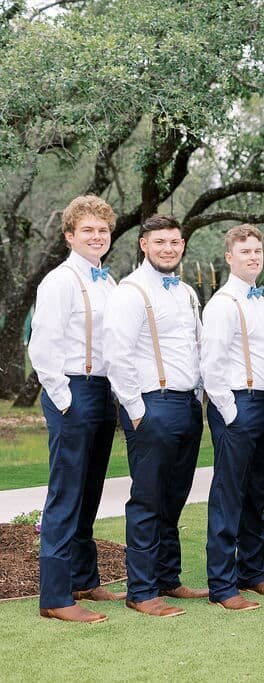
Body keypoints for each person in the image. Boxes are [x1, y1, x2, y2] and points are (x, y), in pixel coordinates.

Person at [103, 214, 206, 617]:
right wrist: (136, 408)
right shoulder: (130, 292)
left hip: (186, 404)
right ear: (144, 244)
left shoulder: (186, 293)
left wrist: (197, 396)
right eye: (160, 241)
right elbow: (118, 355)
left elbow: (196, 348)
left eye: (175, 242)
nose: (169, 248)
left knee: (174, 498)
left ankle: (168, 578)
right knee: (147, 500)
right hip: (151, 405)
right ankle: (141, 591)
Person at [30, 195, 124, 623]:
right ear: (70, 236)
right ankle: (54, 596)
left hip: (103, 392)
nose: (96, 236)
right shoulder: (59, 281)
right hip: (73, 391)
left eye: (102, 229)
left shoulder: (109, 282)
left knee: (90, 491)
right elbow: (42, 346)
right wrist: (64, 399)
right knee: (66, 494)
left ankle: (84, 579)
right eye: (87, 229)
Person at [202, 224, 264, 610]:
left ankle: (252, 573)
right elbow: (212, 363)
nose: (254, 256)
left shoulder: (261, 302)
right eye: (246, 251)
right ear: (229, 257)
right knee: (229, 494)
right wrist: (230, 409)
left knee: (256, 493)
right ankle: (222, 586)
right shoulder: (222, 303)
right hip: (235, 404)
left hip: (263, 403)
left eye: (257, 250)